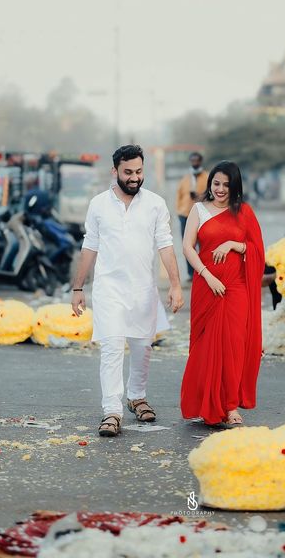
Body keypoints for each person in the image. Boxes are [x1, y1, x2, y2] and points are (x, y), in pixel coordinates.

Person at [71, 145, 184, 437]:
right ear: (115, 171)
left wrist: (174, 284)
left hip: (143, 291)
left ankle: (137, 396)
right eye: (128, 172)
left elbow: (165, 245)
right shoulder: (98, 204)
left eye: (138, 171)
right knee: (111, 348)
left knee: (142, 348)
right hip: (109, 290)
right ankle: (112, 411)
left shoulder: (156, 204)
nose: (134, 178)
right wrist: (78, 287)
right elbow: (90, 246)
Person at [181, 160, 264, 427]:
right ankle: (206, 404)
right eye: (216, 184)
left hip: (236, 288)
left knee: (234, 346)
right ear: (210, 184)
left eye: (226, 185)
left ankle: (229, 407)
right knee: (205, 348)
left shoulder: (244, 212)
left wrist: (232, 244)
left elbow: (257, 251)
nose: (220, 189)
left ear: (234, 186)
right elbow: (187, 247)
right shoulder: (198, 210)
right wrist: (207, 275)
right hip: (207, 286)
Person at [176, 152, 208, 280]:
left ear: (200, 161)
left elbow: (212, 193)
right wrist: (179, 211)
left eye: (197, 160)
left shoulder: (207, 177)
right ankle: (191, 274)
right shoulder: (185, 178)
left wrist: (200, 197)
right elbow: (179, 196)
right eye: (192, 160)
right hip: (185, 214)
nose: (195, 163)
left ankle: (204, 271)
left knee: (204, 244)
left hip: (202, 214)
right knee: (188, 245)